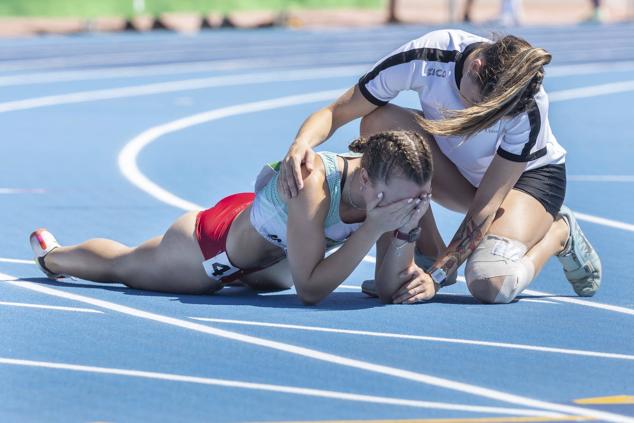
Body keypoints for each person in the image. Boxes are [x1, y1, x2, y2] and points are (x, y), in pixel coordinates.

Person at [279, 29, 601, 304]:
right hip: (462, 173)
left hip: (524, 184)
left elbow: (485, 206)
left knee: (488, 281)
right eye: (479, 108)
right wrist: (300, 144)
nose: (479, 121)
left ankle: (558, 232)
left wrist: (438, 276)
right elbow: (337, 112)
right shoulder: (428, 57)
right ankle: (429, 249)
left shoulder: (525, 104)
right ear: (475, 66)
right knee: (378, 122)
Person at [30, 131, 433, 305]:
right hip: (213, 246)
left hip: (272, 263)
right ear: (364, 180)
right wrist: (373, 228)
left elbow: (388, 288)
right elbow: (310, 291)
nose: (409, 207)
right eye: (404, 203)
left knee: (273, 278)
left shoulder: (393, 193)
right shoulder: (316, 183)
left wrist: (410, 237)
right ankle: (54, 256)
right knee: (126, 267)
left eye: (419, 199)